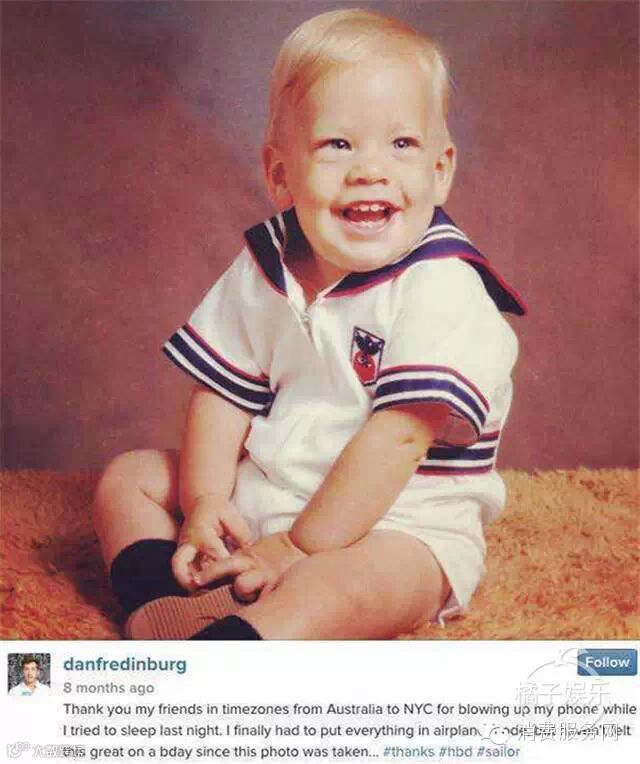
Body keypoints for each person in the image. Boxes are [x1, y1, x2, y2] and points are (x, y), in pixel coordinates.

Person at [93, 9, 526, 641]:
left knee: (342, 588)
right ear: (280, 175)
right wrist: (206, 500)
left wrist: (297, 549)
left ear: (440, 170)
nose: (370, 169)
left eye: (402, 144)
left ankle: (238, 647)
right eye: (337, 145)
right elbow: (223, 392)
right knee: (128, 479)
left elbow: (399, 439)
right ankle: (163, 606)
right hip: (271, 488)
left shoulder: (444, 286)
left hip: (399, 520)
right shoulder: (269, 262)